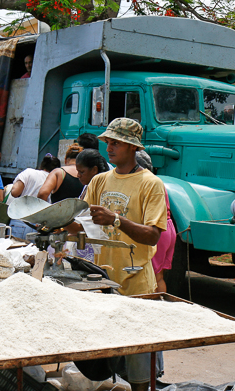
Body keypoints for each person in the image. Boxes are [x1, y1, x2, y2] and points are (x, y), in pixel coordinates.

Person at [73, 117, 167, 391]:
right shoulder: (100, 181)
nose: (110, 147)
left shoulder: (151, 184)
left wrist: (116, 220)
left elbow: (152, 235)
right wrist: (58, 222)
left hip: (136, 283)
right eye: (108, 142)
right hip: (102, 281)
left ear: (132, 147)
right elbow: (83, 223)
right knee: (105, 354)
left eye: (116, 143)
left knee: (138, 359)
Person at [135, 151, 176, 294]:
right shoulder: (155, 181)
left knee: (151, 276)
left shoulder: (145, 182)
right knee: (158, 276)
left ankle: (156, 305)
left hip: (157, 230)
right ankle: (161, 304)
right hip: (168, 228)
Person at [9, 154, 61, 239]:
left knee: (16, 250)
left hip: (20, 221)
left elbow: (15, 192)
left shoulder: (29, 172)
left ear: (42, 165)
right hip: (41, 225)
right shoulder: (55, 180)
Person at [72, 148, 109, 261]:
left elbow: (83, 227)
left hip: (94, 252)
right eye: (77, 171)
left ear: (94, 170)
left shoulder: (102, 191)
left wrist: (59, 220)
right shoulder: (87, 187)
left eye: (82, 172)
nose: (78, 175)